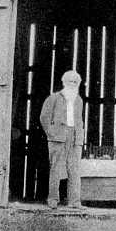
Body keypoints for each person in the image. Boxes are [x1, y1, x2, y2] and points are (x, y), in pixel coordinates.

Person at [39, 70, 86, 209]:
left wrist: (79, 137)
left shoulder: (79, 100)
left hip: (74, 137)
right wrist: (51, 133)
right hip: (58, 137)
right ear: (64, 82)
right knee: (56, 168)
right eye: (70, 81)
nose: (73, 84)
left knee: (74, 169)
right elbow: (44, 117)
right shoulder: (53, 98)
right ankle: (53, 200)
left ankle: (75, 202)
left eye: (75, 82)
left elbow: (79, 120)